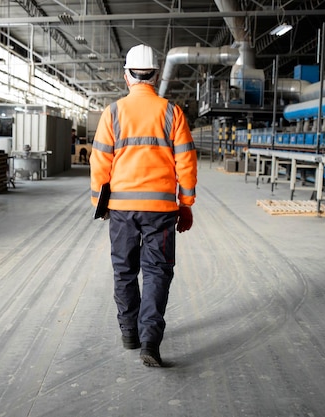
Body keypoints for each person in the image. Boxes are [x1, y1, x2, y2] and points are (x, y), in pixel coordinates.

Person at [89, 44, 198, 367]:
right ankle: (150, 339)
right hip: (161, 212)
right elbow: (187, 163)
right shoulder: (171, 112)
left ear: (127, 77)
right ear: (155, 75)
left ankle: (130, 334)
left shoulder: (113, 113)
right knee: (157, 273)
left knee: (124, 270)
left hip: (122, 209)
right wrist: (186, 204)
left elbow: (99, 163)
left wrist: (101, 203)